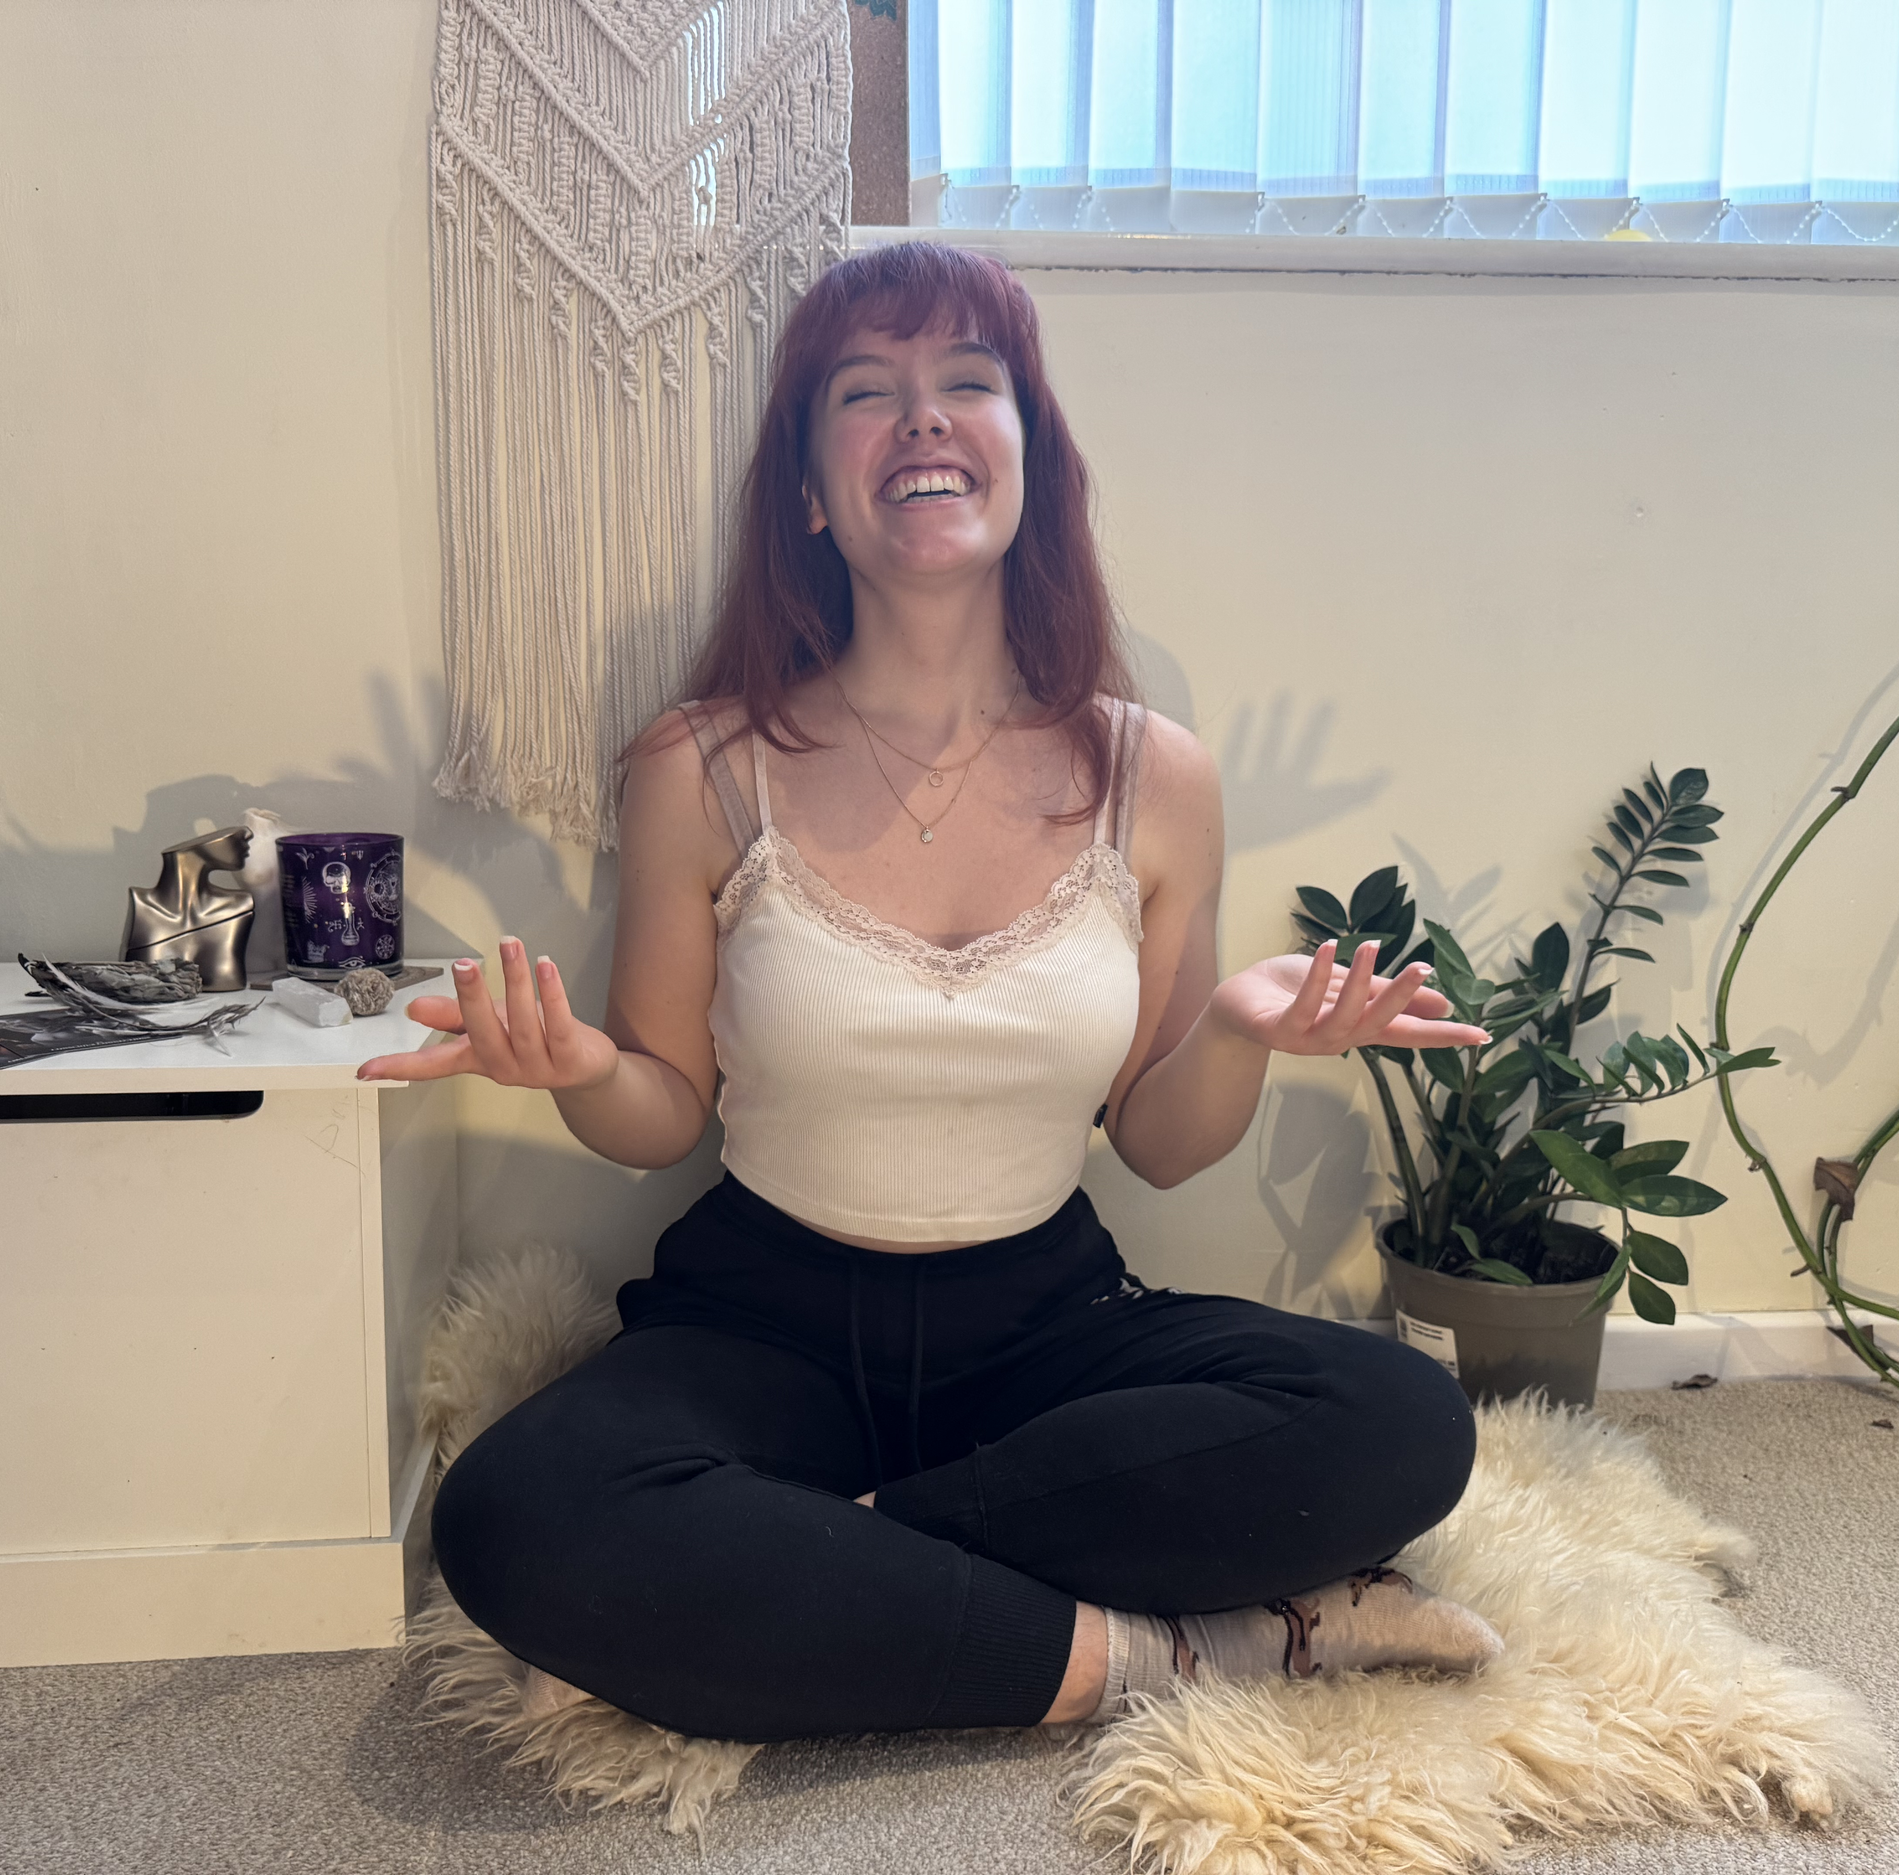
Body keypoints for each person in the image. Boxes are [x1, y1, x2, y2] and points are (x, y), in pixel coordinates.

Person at [359, 242, 1502, 1742]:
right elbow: (660, 1116)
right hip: (759, 1323)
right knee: (515, 1517)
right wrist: (577, 1065)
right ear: (811, 492)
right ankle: (1185, 1651)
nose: (923, 416)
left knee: (1403, 1421)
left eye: (969, 380)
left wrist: (1237, 1030)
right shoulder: (701, 764)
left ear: (1029, 461)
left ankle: (812, 1561)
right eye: (867, 391)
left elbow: (1161, 1146)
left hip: (1046, 1325)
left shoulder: (1154, 776)